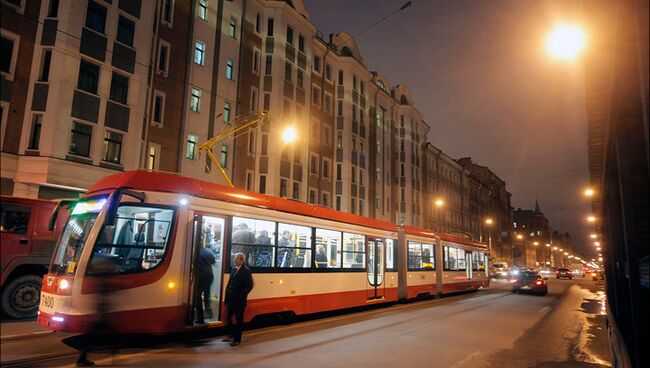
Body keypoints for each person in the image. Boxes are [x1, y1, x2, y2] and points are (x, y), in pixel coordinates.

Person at [223, 252, 254, 346]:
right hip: (231, 299)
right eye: (235, 259)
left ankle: (237, 339)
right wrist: (227, 297)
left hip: (239, 300)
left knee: (239, 319)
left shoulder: (246, 271)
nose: (235, 260)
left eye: (237, 259)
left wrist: (242, 296)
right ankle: (231, 334)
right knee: (229, 316)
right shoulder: (233, 269)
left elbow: (250, 285)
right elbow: (229, 284)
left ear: (242, 260)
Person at [195, 246, 216, 323]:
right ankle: (208, 307)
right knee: (207, 292)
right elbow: (213, 261)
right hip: (210, 275)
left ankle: (200, 319)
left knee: (197, 296)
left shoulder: (195, 251)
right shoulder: (208, 251)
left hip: (201, 275)